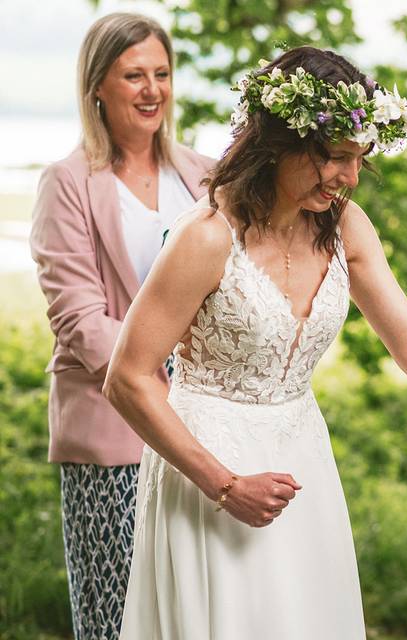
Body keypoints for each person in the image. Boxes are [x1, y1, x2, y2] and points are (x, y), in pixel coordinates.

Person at [102, 46, 407, 639]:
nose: (351, 177)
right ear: (278, 144)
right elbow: (127, 378)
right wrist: (224, 484)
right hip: (206, 469)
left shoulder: (347, 227)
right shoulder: (206, 238)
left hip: (302, 456)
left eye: (358, 159)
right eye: (335, 157)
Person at [28, 13, 214, 640]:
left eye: (161, 74)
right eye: (133, 75)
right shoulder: (67, 183)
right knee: (114, 617)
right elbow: (78, 318)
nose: (151, 89)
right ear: (97, 88)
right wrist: (155, 387)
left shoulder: (208, 177)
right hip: (112, 431)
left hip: (207, 431)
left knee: (192, 613)